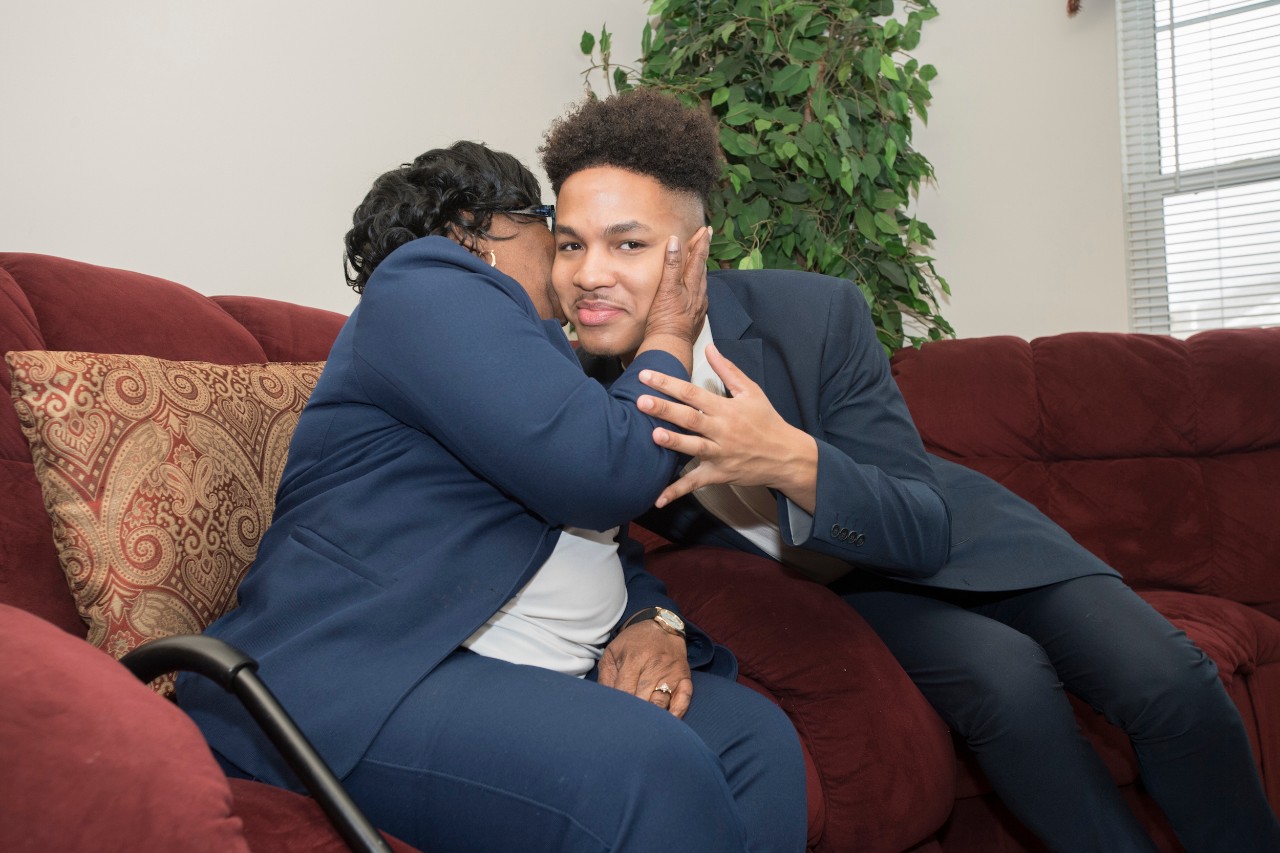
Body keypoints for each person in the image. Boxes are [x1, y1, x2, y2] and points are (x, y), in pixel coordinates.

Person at [540, 89, 1280, 853]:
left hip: (965, 539)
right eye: (571, 244)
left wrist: (791, 460)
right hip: (847, 589)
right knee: (1006, 683)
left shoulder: (815, 316)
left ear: (693, 248)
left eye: (627, 244)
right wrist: (652, 617)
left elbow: (921, 525)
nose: (591, 273)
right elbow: (590, 540)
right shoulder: (563, 392)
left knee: (1168, 678)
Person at [177, 141, 806, 853]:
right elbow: (606, 477)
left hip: (519, 665)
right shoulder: (426, 282)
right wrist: (668, 333)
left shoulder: (526, 363)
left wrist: (650, 619)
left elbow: (587, 542)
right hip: (367, 676)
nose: (578, 266)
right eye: (557, 232)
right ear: (483, 228)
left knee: (755, 742)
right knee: (648, 766)